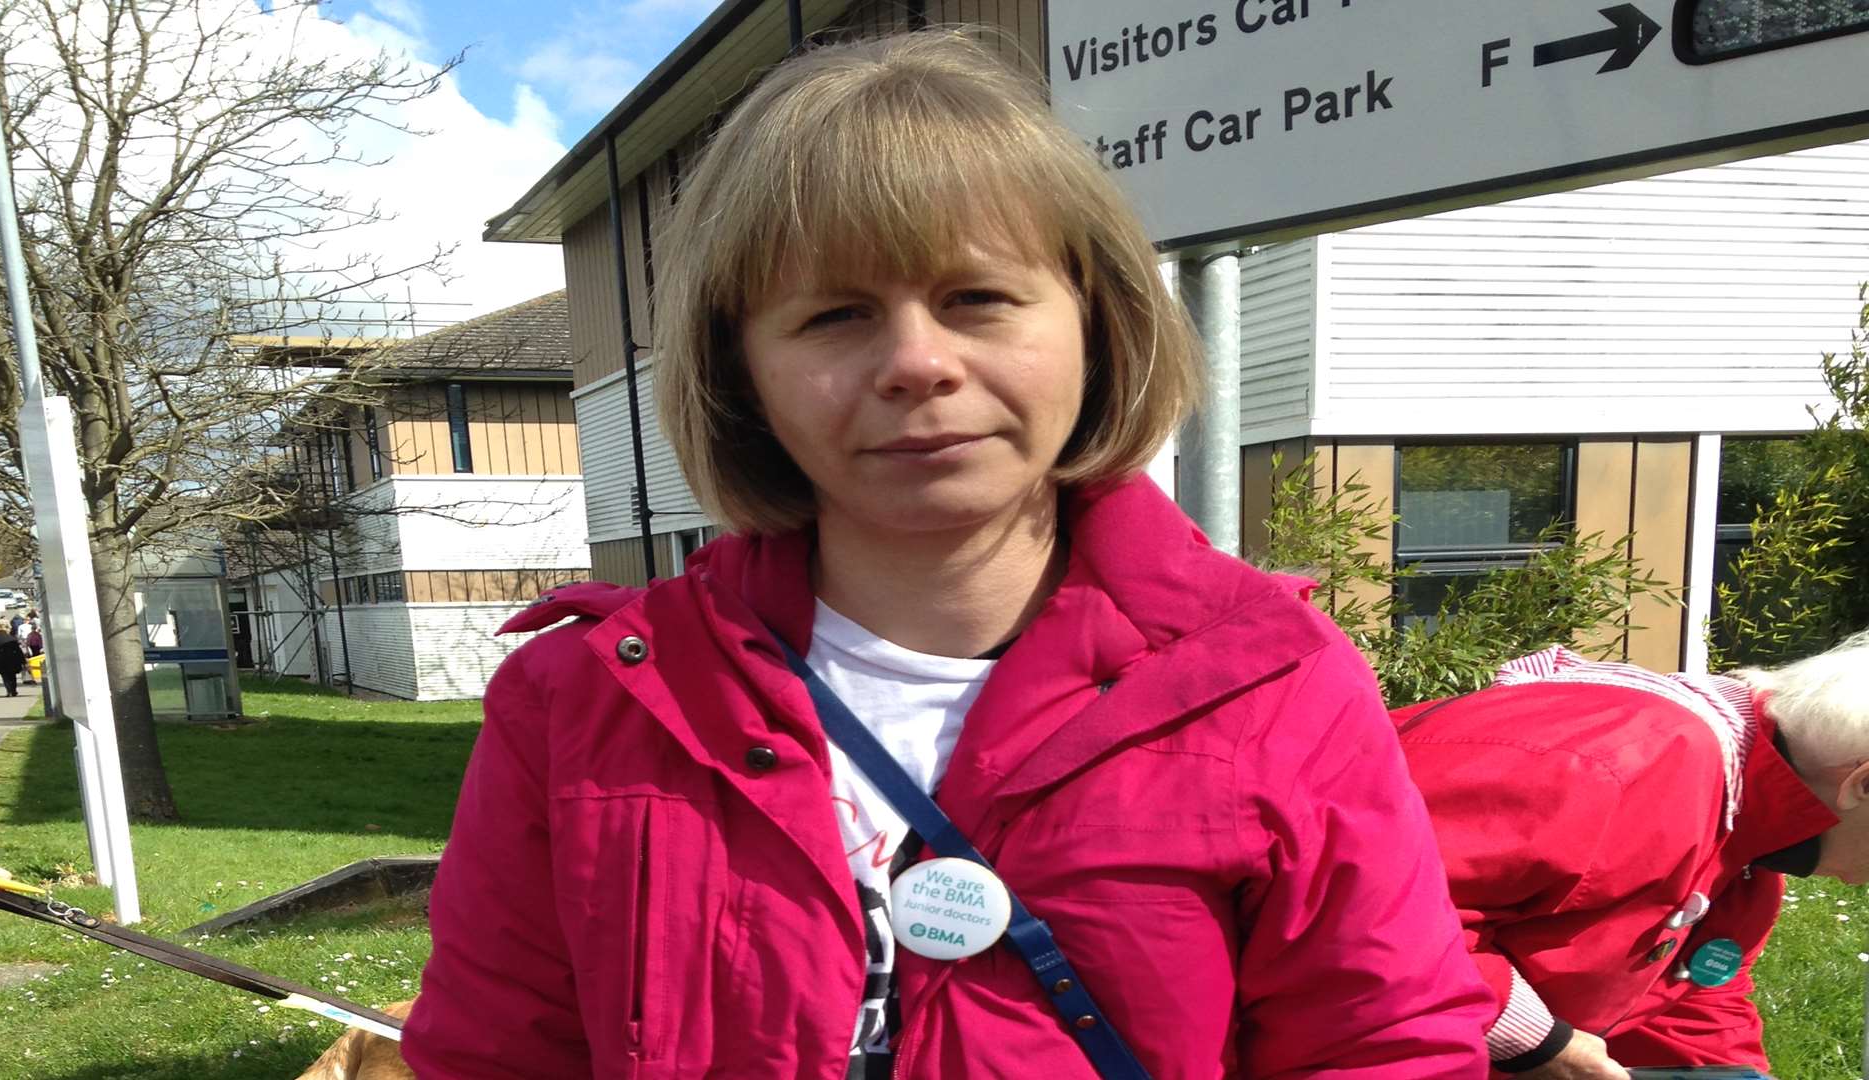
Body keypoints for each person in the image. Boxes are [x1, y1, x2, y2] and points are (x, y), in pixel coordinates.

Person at [403, 30, 1492, 1080]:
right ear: (744, 373)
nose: (917, 362)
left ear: (1094, 321)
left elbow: (1382, 1048)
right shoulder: (586, 699)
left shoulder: (1272, 682)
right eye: (835, 315)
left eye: (977, 297)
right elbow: (492, 1054)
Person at [1395, 633, 1869, 1079]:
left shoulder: (1749, 825)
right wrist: (1537, 1043)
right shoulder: (1621, 766)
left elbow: (1695, 987)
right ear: (1862, 783)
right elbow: (1384, 910)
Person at [0, 630, 25, 697]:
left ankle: (9, 691)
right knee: (12, 675)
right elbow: (18, 650)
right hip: (13, 658)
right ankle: (13, 690)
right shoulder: (12, 638)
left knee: (5, 676)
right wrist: (23, 661)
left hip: (1, 658)